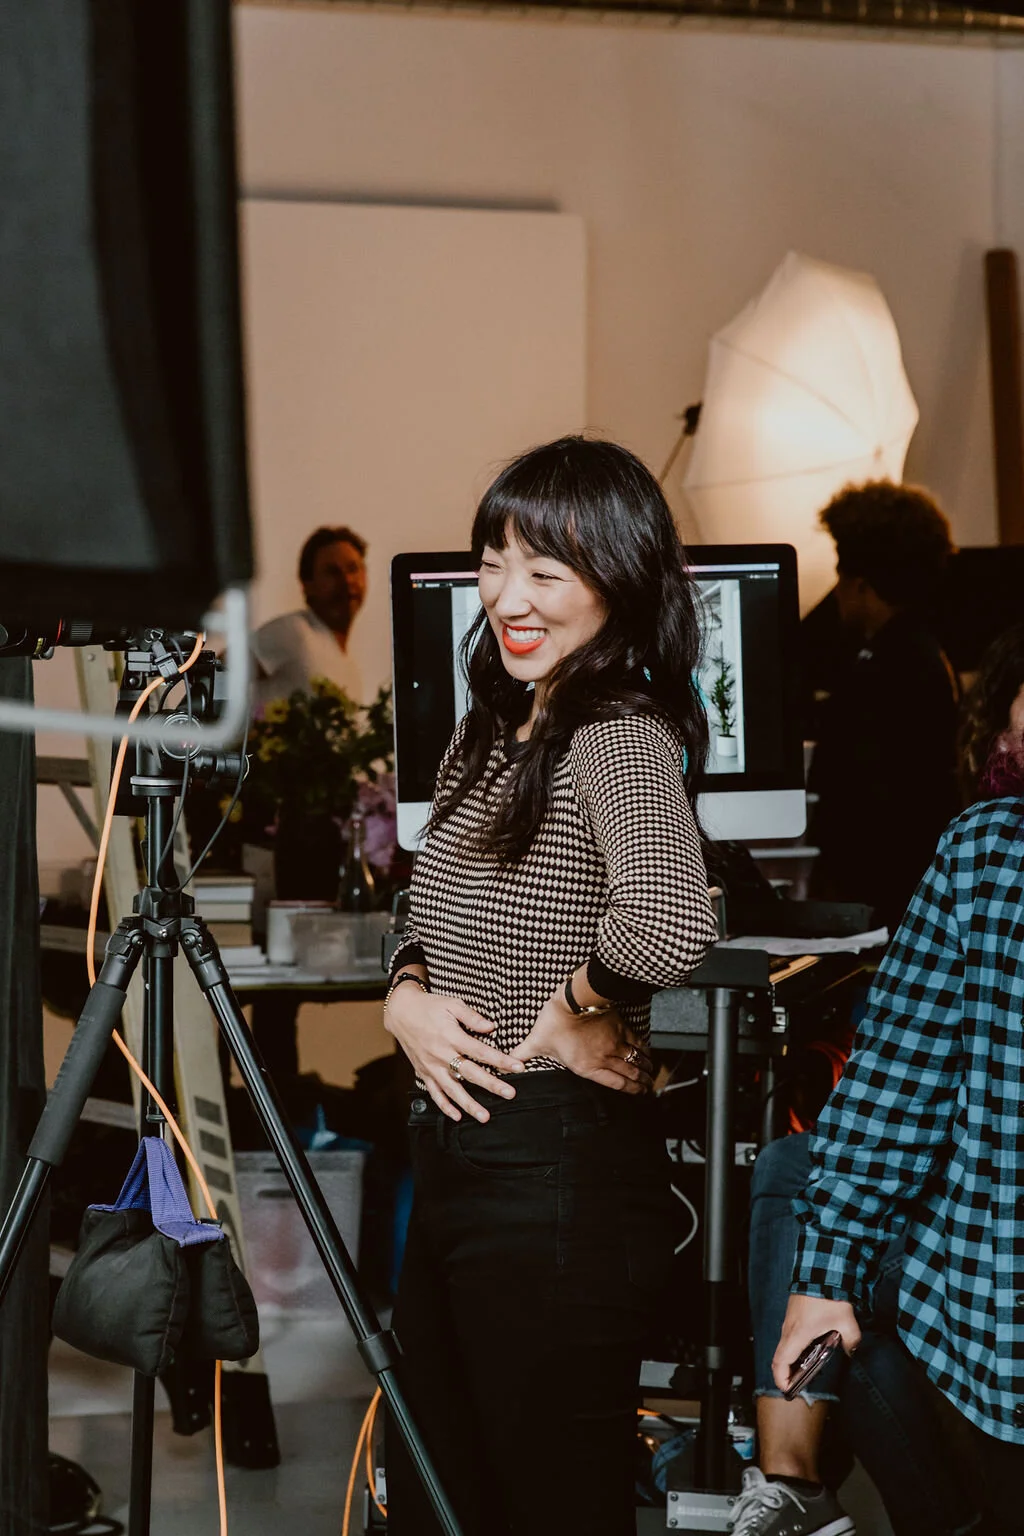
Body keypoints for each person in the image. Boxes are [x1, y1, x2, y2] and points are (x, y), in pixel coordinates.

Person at [381, 436, 718, 1536]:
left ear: (618, 582)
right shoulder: (491, 730)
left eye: (545, 570)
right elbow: (415, 903)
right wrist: (405, 998)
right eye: (492, 561)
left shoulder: (612, 738)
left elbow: (669, 923)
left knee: (547, 1507)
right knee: (439, 1495)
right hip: (458, 1167)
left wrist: (574, 1007)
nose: (507, 597)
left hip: (553, 1175)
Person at [732, 628, 1024, 1536]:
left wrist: (827, 1276)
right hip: (989, 1309)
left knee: (801, 1183)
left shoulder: (989, 853)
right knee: (817, 1192)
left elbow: (896, 1096)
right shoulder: (984, 846)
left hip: (998, 1333)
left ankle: (791, 1483)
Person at [806, 481, 959, 933]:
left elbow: (850, 796)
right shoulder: (926, 654)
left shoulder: (881, 669)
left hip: (883, 902)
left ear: (861, 585)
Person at [251, 524, 368, 706]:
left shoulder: (351, 672)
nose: (347, 580)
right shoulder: (294, 631)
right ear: (308, 585)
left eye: (353, 569)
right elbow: (215, 673)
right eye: (332, 572)